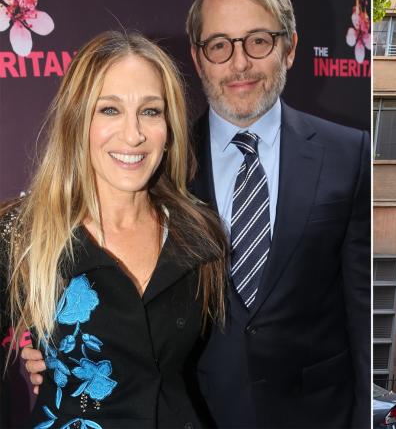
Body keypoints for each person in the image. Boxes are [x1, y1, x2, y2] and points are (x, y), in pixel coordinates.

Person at [25, 0, 371, 429]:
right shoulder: (152, 165)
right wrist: (47, 352)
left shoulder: (350, 155)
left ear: (289, 48)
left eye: (259, 40)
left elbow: (365, 314)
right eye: (219, 45)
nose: (240, 62)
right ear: (197, 56)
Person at [2, 30, 228, 428]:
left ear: (170, 126)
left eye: (150, 111)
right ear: (77, 120)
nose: (133, 134)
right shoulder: (21, 235)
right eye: (109, 110)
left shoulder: (199, 236)